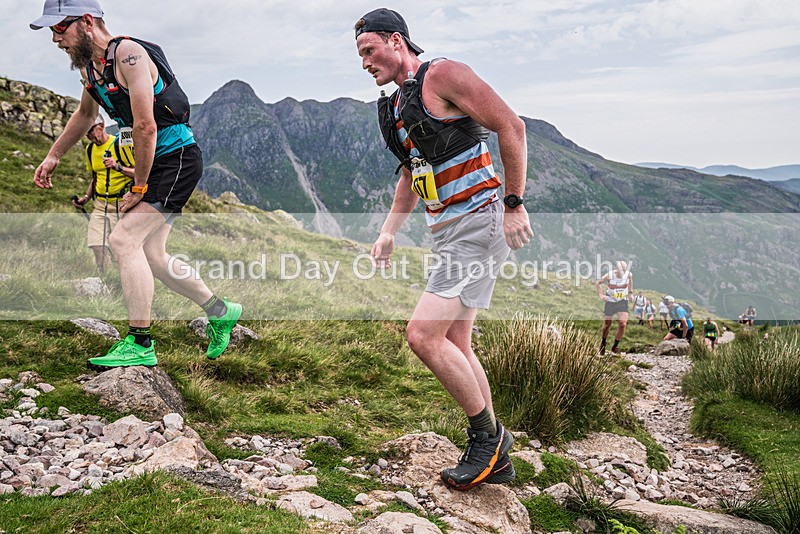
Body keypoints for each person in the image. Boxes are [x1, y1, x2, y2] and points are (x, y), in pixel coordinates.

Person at [354, 8, 533, 491]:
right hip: (449, 230)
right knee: (455, 341)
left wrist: (514, 203)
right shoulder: (400, 104)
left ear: (396, 41)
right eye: (360, 56)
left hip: (479, 221)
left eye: (369, 50)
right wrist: (389, 230)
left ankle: (486, 440)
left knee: (422, 335)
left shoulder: (444, 74)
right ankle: (498, 449)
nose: (365, 63)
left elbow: (512, 126)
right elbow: (412, 174)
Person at [31, 0, 242, 368]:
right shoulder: (91, 69)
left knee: (123, 240)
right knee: (153, 255)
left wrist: (139, 187)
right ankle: (221, 311)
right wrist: (53, 155)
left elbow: (146, 125)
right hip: (155, 161)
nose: (55, 39)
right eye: (51, 31)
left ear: (87, 21)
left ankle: (140, 343)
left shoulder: (129, 55)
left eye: (59, 28)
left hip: (175, 159)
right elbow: (85, 115)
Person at [72, 115, 135, 272]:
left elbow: (138, 173)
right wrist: (86, 197)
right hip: (100, 204)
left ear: (101, 126)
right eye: (85, 132)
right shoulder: (90, 150)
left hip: (121, 204)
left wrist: (117, 167)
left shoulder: (120, 145)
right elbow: (95, 176)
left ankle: (126, 278)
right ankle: (105, 277)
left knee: (119, 247)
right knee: (97, 245)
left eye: (89, 131)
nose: (88, 135)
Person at [595, 261, 633, 355]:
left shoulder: (629, 274)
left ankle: (615, 346)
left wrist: (630, 293)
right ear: (617, 269)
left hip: (622, 301)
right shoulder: (610, 275)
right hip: (610, 301)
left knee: (622, 324)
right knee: (607, 324)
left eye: (624, 270)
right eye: (621, 270)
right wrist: (601, 295)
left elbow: (630, 282)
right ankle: (603, 342)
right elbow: (598, 283)